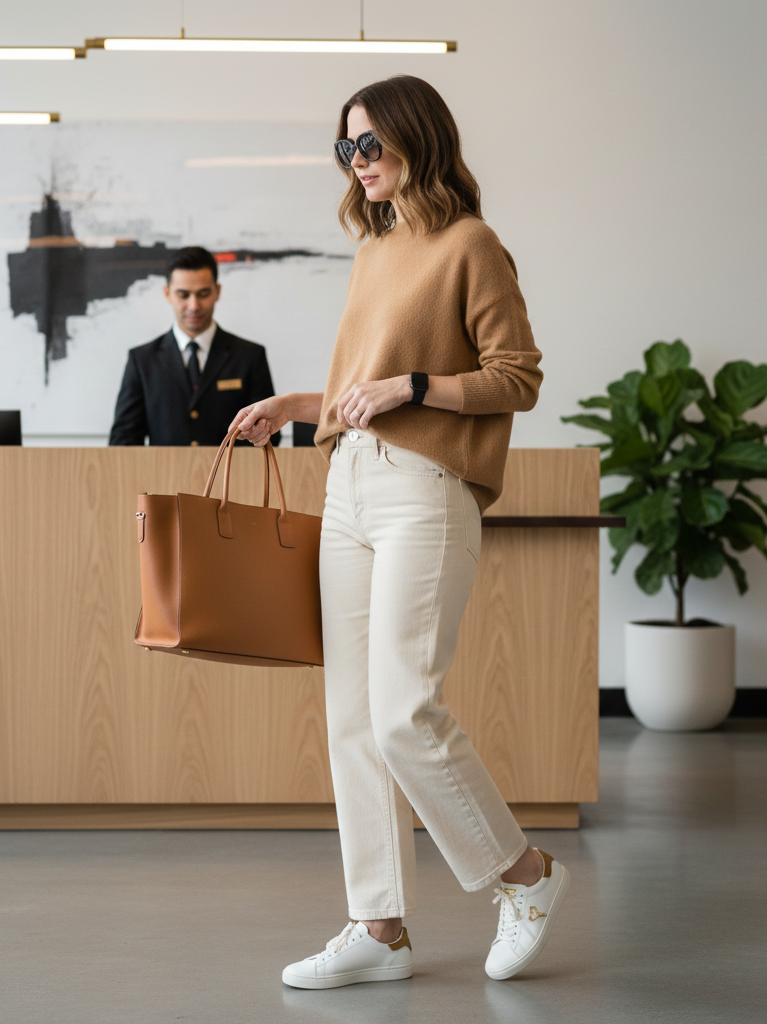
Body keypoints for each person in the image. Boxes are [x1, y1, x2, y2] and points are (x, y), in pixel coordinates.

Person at [230, 75, 566, 989]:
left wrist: (415, 387)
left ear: (418, 138)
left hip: (427, 487)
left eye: (369, 144)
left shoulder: (470, 245)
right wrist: (295, 405)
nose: (357, 163)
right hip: (348, 482)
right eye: (346, 149)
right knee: (351, 720)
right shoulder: (373, 251)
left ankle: (526, 876)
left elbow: (518, 376)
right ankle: (377, 929)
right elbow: (362, 390)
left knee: (403, 710)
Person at [109, 246, 279, 447]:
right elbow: (123, 441)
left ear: (217, 292)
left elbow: (271, 435)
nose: (193, 305)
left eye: (203, 294)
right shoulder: (142, 360)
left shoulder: (250, 356)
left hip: (232, 477)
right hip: (163, 477)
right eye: (183, 295)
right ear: (167, 294)